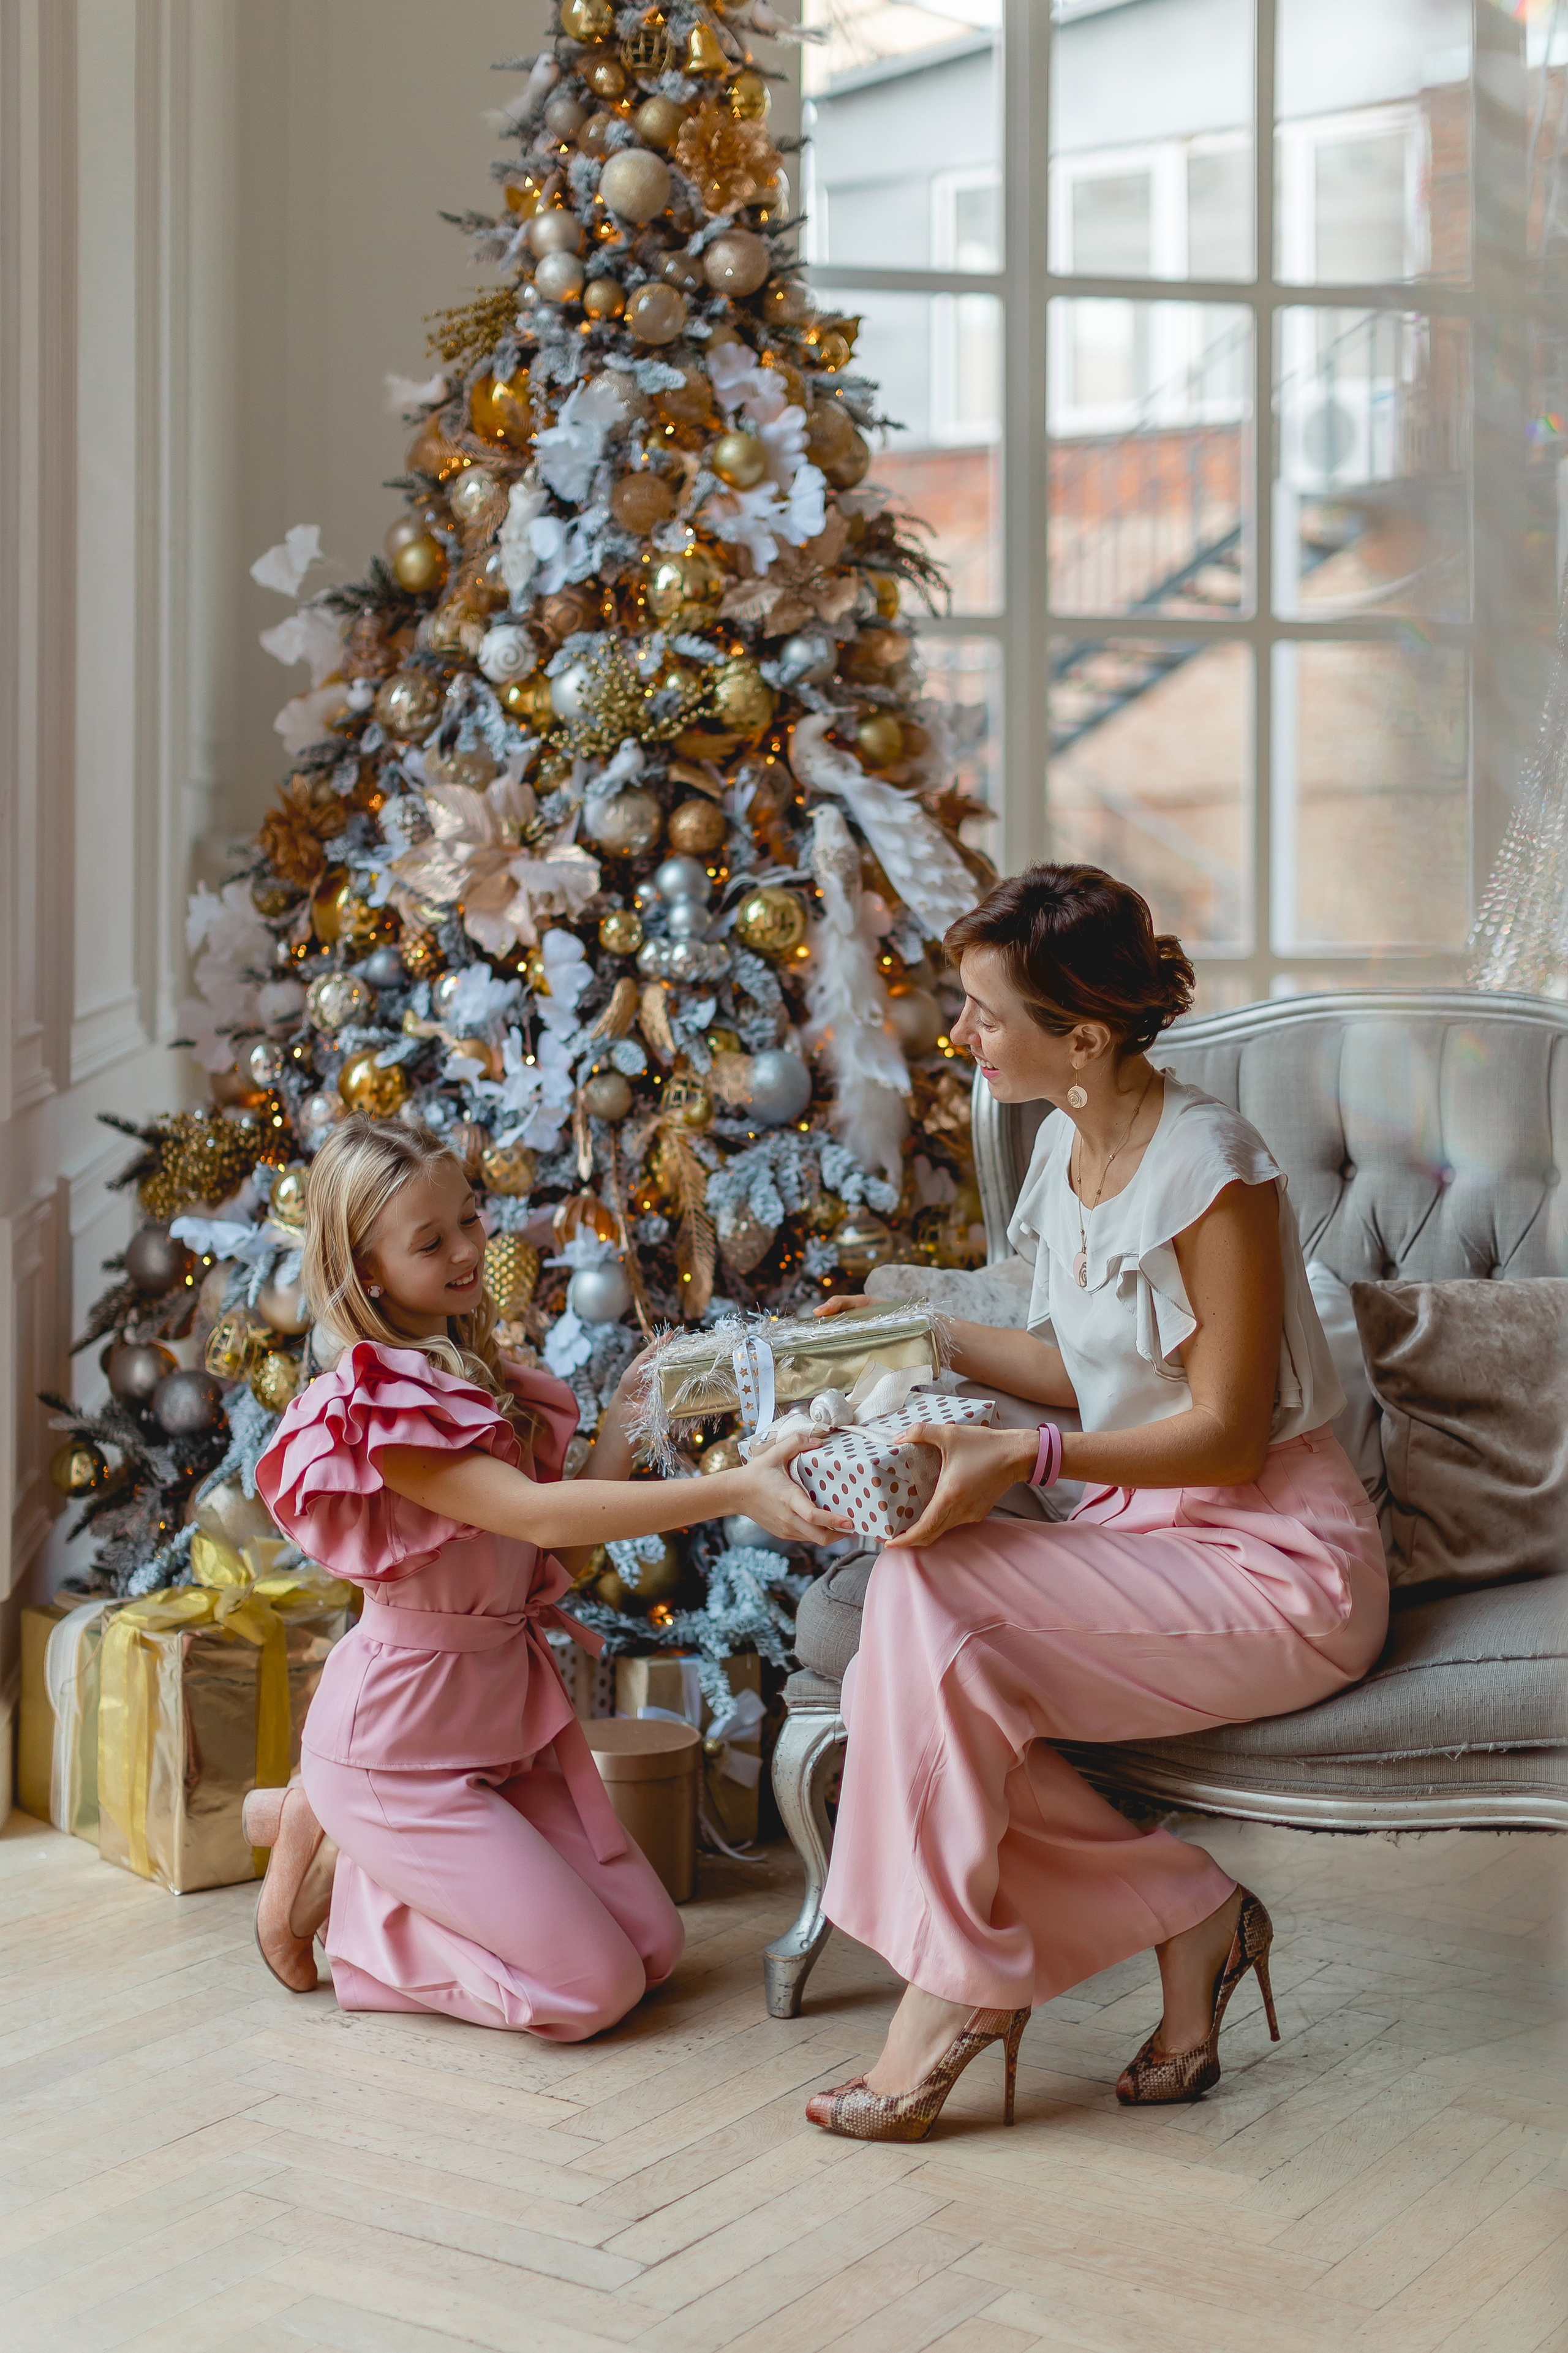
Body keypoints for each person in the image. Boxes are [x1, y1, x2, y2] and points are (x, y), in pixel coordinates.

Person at [802, 864, 1387, 2142]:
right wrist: (922, 1334)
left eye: (984, 1014)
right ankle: (1184, 1910)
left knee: (923, 1605)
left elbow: (1227, 1430)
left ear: (1084, 1031)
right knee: (921, 1637)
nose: (960, 1037)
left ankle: (951, 1992)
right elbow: (1093, 1369)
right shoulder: (1068, 1142)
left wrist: (1033, 1463)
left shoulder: (1209, 1167)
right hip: (1146, 1539)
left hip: (1273, 1562)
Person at [247, 1115, 841, 2041]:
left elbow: (551, 1559)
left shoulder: (485, 1380)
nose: (469, 1250)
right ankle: (357, 1898)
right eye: (431, 1240)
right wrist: (735, 1490)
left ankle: (345, 1842)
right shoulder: (375, 1407)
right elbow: (538, 1515)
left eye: (470, 1220)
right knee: (591, 1990)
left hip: (495, 1730)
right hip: (397, 1751)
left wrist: (625, 1420)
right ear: (365, 1270)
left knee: (653, 1949)